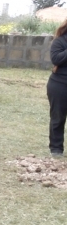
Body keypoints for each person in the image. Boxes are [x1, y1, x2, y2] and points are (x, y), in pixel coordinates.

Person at [48, 18, 67, 158]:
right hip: (60, 84)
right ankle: (56, 149)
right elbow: (56, 59)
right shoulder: (60, 41)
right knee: (58, 117)